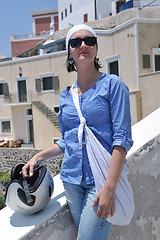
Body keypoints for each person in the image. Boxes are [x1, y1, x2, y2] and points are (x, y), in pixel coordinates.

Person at [22, 24, 133, 240]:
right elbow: (68, 141)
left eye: (89, 41)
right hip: (71, 180)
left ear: (96, 48)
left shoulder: (113, 85)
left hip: (100, 180)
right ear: (69, 52)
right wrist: (38, 156)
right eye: (76, 42)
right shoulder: (66, 96)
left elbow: (122, 140)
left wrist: (109, 188)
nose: (83, 45)